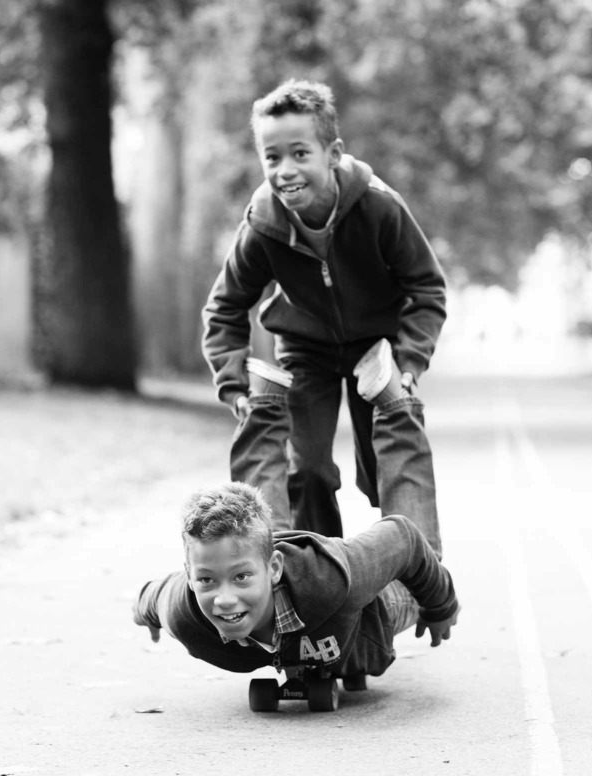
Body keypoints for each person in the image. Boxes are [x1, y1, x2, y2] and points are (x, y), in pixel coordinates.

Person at [202, 78, 447, 554]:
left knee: (381, 468)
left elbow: (426, 287)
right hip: (304, 349)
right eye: (272, 157)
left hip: (376, 349)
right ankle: (324, 576)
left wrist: (411, 361)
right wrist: (233, 385)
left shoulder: (378, 207)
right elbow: (226, 305)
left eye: (299, 154)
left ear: (333, 153)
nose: (285, 170)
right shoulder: (263, 225)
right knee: (306, 470)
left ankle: (404, 569)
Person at [132, 379, 459, 687]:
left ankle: (395, 405)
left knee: (428, 567)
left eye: (241, 578)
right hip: (283, 588)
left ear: (274, 568)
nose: (225, 599)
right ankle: (264, 403)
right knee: (251, 535)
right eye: (206, 580)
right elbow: (154, 597)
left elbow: (403, 537)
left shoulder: (331, 580)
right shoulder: (183, 615)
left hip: (370, 608)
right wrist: (142, 611)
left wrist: (440, 607)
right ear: (189, 576)